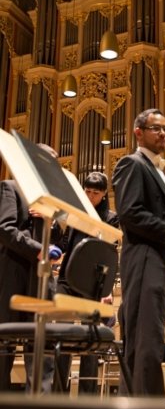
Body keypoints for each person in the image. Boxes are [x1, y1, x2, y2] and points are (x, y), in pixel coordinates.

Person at [112, 108, 165, 397]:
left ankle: (135, 406)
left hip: (157, 258)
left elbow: (159, 202)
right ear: (138, 132)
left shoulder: (156, 169)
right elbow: (130, 213)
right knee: (145, 338)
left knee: (147, 339)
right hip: (143, 257)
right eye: (155, 128)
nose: (163, 133)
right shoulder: (132, 163)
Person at [0, 143, 62, 393]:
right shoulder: (10, 188)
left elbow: (57, 239)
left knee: (41, 350)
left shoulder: (51, 202)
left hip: (41, 282)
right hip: (14, 277)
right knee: (4, 350)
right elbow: (5, 229)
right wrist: (39, 248)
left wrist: (51, 221)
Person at [54, 171, 118, 395]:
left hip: (94, 284)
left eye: (95, 193)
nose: (90, 196)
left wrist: (107, 289)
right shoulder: (75, 213)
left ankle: (86, 395)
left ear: (103, 194)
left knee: (90, 339)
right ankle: (58, 394)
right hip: (66, 278)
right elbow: (64, 243)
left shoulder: (110, 218)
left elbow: (109, 256)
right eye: (87, 191)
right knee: (62, 334)